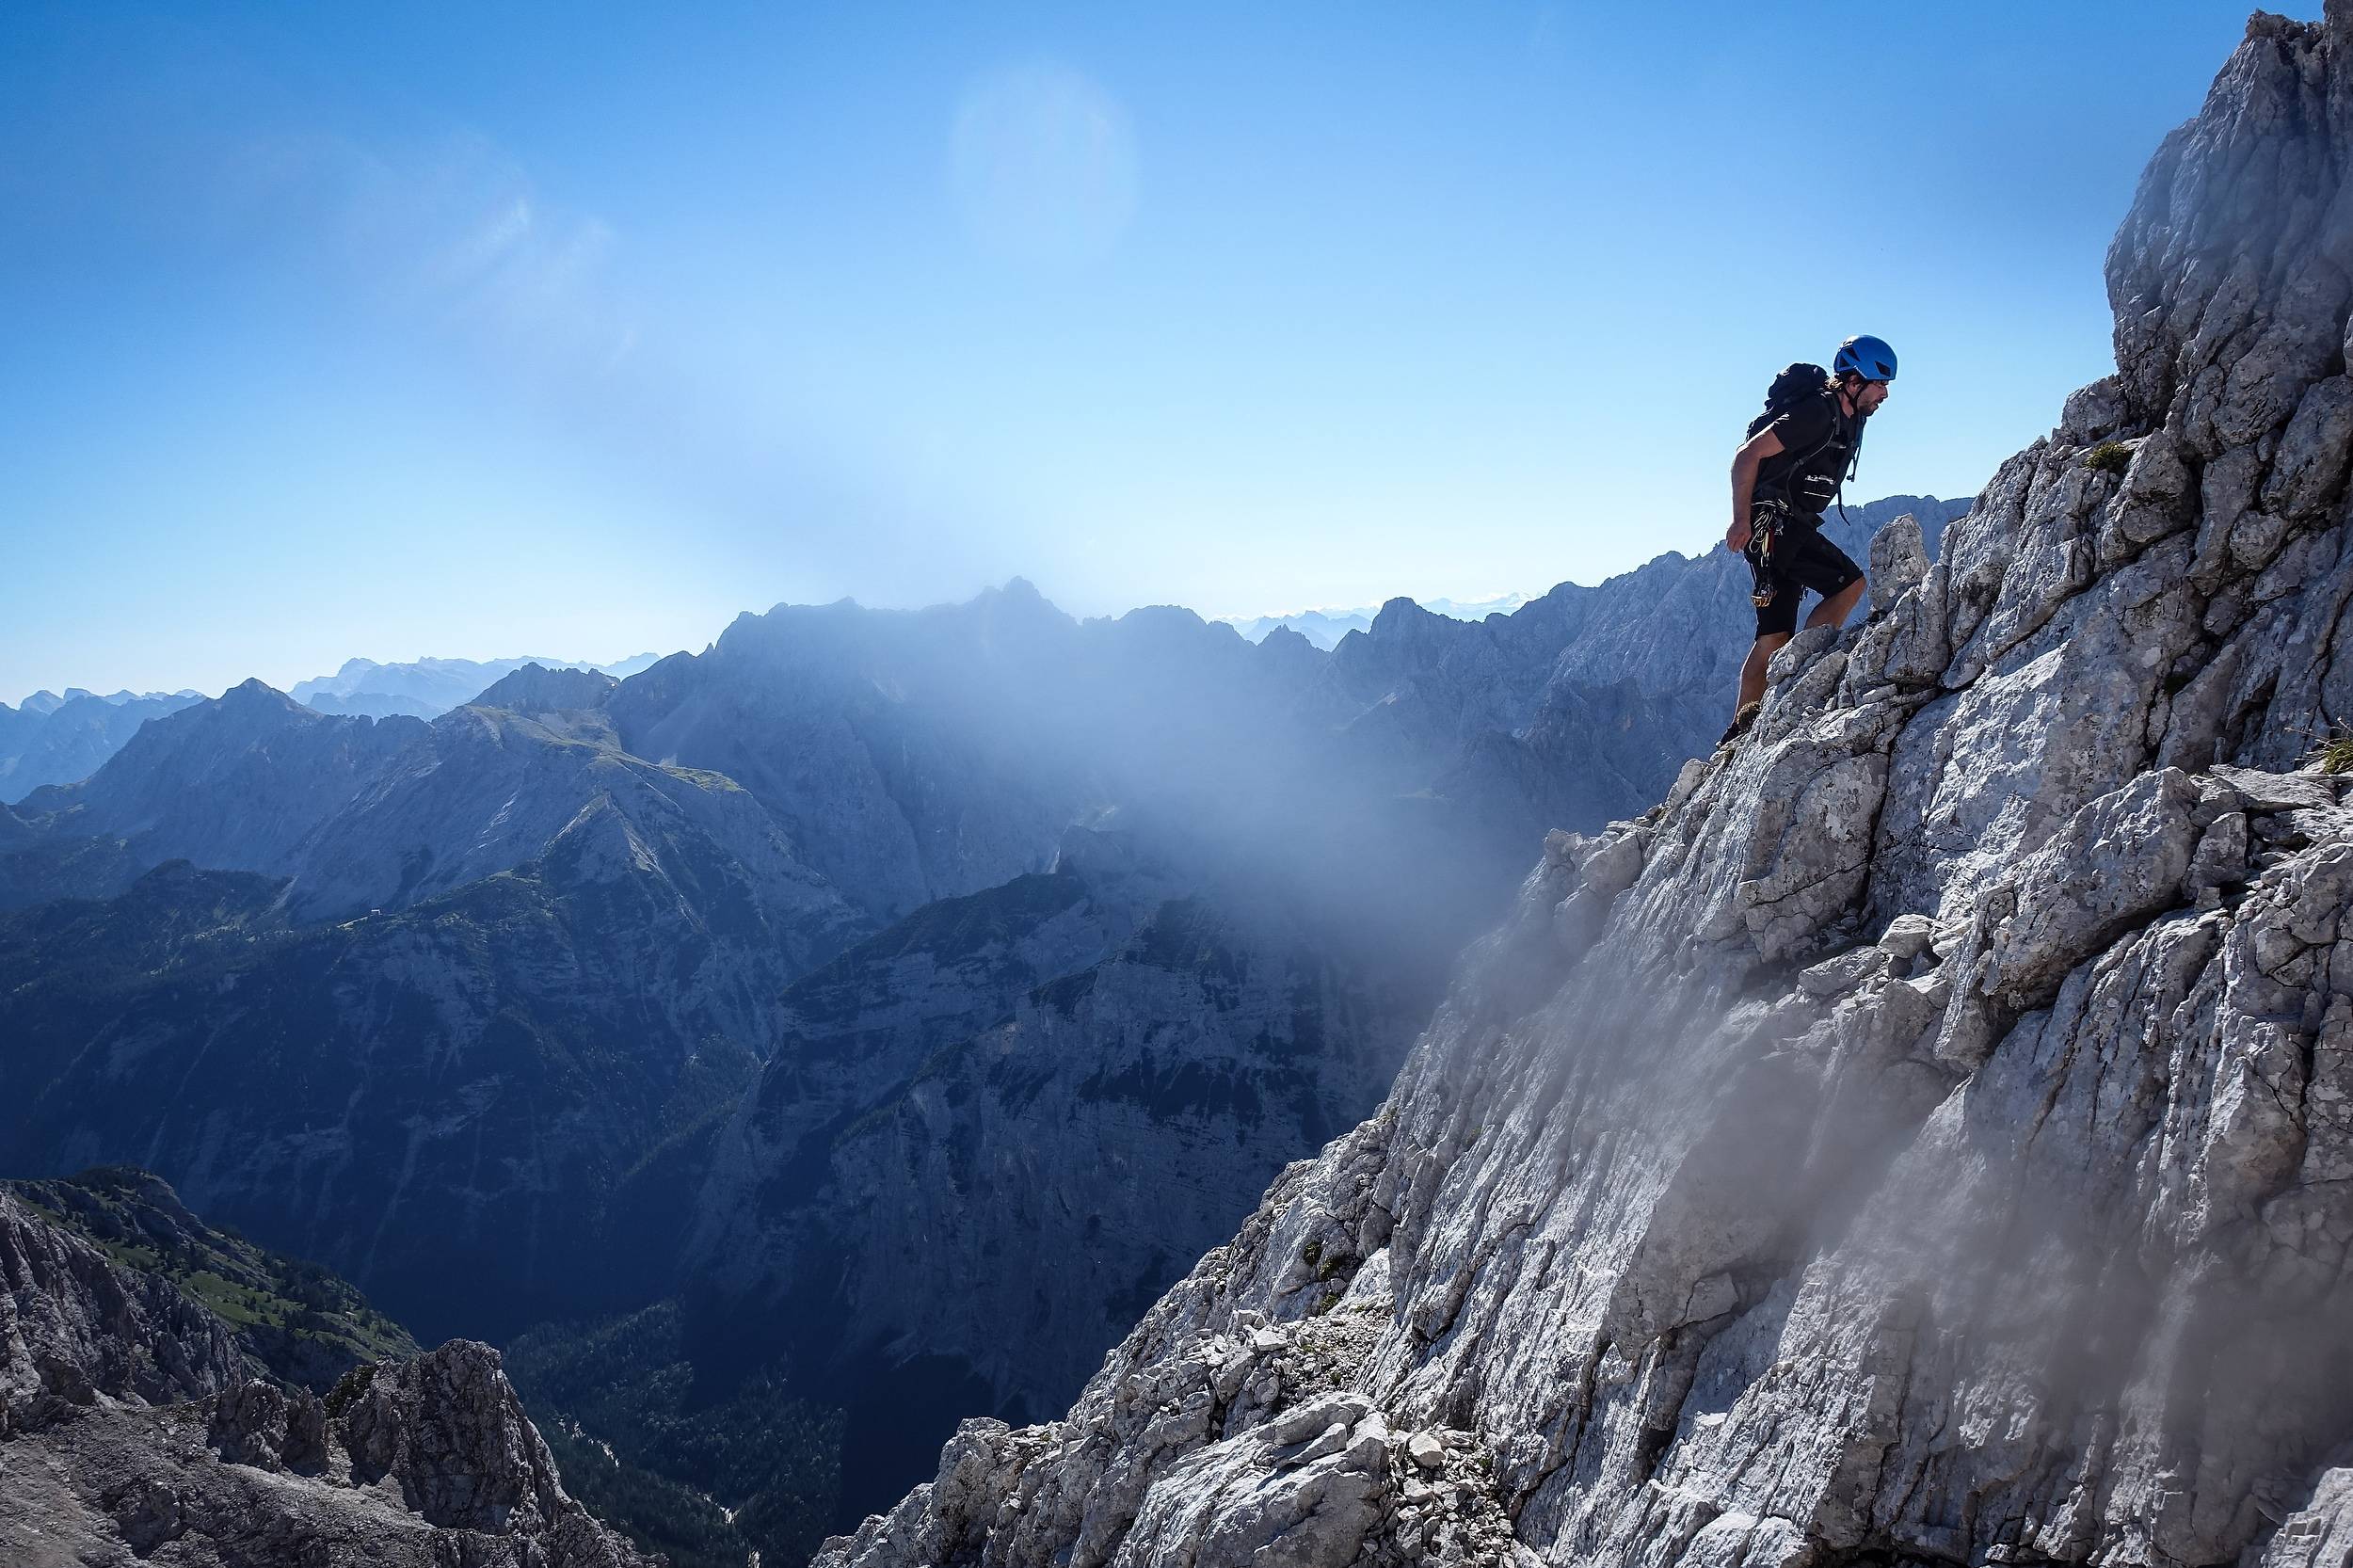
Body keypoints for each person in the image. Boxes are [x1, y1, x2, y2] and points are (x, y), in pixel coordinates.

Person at [1719, 334, 1897, 744]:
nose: (1884, 394)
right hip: (1772, 527)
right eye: (1879, 384)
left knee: (1774, 633)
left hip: (1788, 526)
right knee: (1848, 584)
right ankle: (1799, 673)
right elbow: (1746, 456)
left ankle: (1739, 731)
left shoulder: (1850, 418)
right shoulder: (1817, 413)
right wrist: (1739, 521)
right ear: (1854, 381)